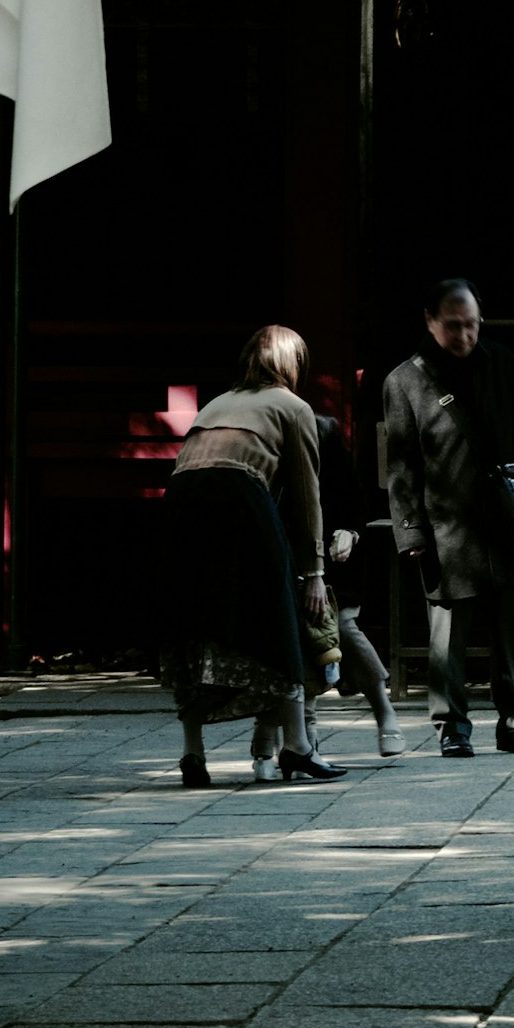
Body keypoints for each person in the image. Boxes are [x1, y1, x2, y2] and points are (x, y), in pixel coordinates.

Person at [379, 278, 514, 757]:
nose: (465, 336)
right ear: (430, 321)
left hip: (501, 514)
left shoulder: (501, 363)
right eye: (453, 326)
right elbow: (401, 467)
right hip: (444, 520)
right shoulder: (405, 380)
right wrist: (410, 531)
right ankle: (452, 727)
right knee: (448, 634)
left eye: (472, 325)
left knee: (512, 625)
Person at [158, 326, 344, 786]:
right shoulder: (293, 406)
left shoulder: (215, 404)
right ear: (293, 363)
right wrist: (314, 570)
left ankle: (193, 752)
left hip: (179, 504)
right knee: (278, 615)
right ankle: (298, 746)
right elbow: (306, 495)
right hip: (239, 496)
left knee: (197, 623)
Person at [312, 402, 409, 758]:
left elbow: (353, 496)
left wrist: (349, 531)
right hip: (291, 548)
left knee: (344, 627)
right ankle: (283, 738)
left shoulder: (323, 430)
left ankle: (385, 712)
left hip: (335, 552)